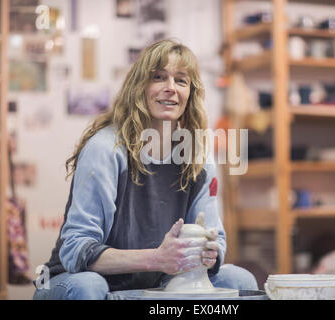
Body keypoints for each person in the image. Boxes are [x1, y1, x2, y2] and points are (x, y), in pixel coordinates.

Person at [33, 39, 257, 300]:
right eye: (159, 77)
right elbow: (75, 251)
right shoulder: (106, 147)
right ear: (139, 87)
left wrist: (207, 252)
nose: (170, 88)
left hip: (156, 281)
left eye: (181, 81)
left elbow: (214, 239)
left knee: (239, 280)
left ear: (191, 94)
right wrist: (157, 259)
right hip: (75, 281)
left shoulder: (197, 154)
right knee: (88, 287)